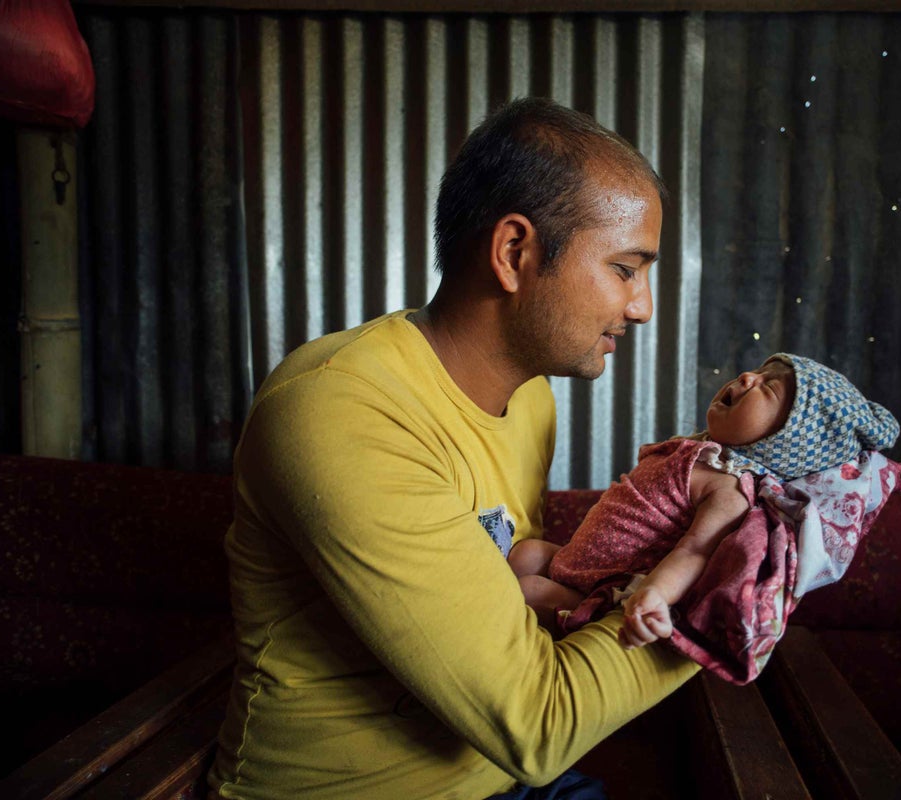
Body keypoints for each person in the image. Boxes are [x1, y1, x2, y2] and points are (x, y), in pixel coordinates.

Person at [207, 98, 700, 800]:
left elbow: (506, 592)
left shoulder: (530, 396)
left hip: (498, 779)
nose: (642, 305)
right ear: (513, 253)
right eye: (625, 267)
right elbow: (536, 722)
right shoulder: (339, 410)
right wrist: (730, 587)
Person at [507, 352, 900, 656]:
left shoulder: (730, 490)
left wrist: (656, 596)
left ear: (788, 438)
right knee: (524, 553)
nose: (748, 377)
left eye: (769, 389)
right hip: (577, 563)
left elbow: (695, 550)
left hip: (604, 590)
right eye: (758, 372)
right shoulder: (696, 451)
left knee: (527, 590)